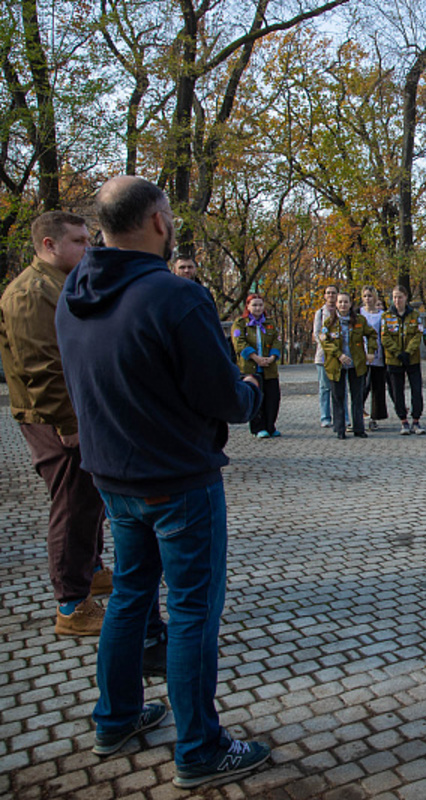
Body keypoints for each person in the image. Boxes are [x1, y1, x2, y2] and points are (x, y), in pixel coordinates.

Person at [55, 176, 270, 787]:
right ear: (156, 220)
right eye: (170, 213)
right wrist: (249, 390)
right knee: (193, 611)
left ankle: (116, 717)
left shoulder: (73, 290)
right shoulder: (176, 297)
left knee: (130, 595)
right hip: (176, 479)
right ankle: (200, 748)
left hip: (112, 476)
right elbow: (223, 397)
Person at [0, 211, 109, 636]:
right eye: (79, 241)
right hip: (54, 417)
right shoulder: (30, 293)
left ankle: (92, 570)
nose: (88, 248)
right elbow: (42, 368)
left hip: (77, 409)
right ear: (49, 245)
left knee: (89, 498)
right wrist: (68, 423)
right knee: (72, 505)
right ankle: (72, 604)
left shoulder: (62, 283)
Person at [320, 292, 377, 439]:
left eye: (346, 302)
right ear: (336, 304)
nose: (343, 305)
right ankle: (340, 429)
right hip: (336, 365)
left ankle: (359, 428)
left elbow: (372, 334)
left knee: (357, 397)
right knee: (338, 397)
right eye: (340, 302)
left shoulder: (360, 320)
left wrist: (371, 351)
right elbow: (325, 342)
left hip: (356, 364)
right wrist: (339, 354)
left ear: (350, 304)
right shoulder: (329, 323)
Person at [231, 294, 282, 438]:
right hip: (251, 368)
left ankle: (270, 426)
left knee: (273, 397)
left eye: (260, 305)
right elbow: (239, 343)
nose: (257, 308)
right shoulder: (241, 323)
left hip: (269, 367)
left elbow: (277, 341)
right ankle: (258, 427)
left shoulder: (270, 323)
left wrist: (272, 357)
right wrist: (255, 358)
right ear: (248, 306)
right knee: (255, 398)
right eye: (254, 305)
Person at [380, 285, 425, 435]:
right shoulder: (386, 316)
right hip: (394, 359)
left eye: (400, 297)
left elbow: (418, 335)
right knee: (397, 391)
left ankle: (416, 420)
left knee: (416, 390)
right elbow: (385, 337)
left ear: (406, 297)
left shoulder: (415, 315)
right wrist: (398, 353)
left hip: (412, 359)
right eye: (394, 297)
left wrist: (408, 352)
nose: (397, 300)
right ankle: (403, 420)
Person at [359, 286, 388, 431]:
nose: (367, 299)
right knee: (363, 386)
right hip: (361, 353)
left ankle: (374, 417)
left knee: (377, 387)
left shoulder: (382, 315)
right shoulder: (358, 313)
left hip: (378, 354)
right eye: (365, 296)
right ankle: (358, 413)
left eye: (370, 296)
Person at [312, 285, 340, 428]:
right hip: (323, 356)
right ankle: (325, 417)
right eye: (328, 293)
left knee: (340, 388)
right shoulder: (320, 313)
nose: (331, 295)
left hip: (339, 356)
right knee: (324, 388)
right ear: (324, 295)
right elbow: (317, 334)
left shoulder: (342, 311)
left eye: (333, 293)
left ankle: (342, 417)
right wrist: (328, 347)